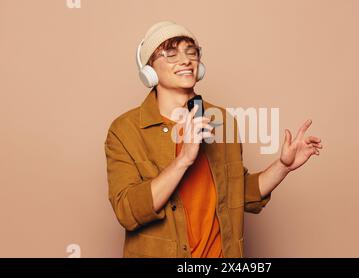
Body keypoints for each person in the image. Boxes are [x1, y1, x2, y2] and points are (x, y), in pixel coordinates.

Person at [104, 21, 323, 258]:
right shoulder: (125, 130)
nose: (186, 59)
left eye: (191, 52)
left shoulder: (221, 120)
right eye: (170, 53)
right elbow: (127, 211)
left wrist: (283, 166)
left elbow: (237, 194)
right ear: (149, 70)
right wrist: (183, 160)